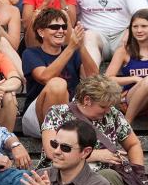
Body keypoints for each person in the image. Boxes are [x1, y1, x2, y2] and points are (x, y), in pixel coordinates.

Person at [21, 8, 98, 137]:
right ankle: (56, 137)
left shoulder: (73, 52)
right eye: (55, 27)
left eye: (63, 27)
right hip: (37, 116)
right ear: (41, 32)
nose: (61, 30)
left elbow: (94, 77)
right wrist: (71, 47)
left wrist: (80, 46)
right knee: (58, 84)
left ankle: (65, 136)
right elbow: (44, 77)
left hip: (69, 112)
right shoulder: (31, 53)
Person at [105, 9, 148, 121]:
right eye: (135, 26)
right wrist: (134, 79)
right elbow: (107, 79)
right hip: (131, 99)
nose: (139, 30)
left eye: (144, 26)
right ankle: (126, 124)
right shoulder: (124, 51)